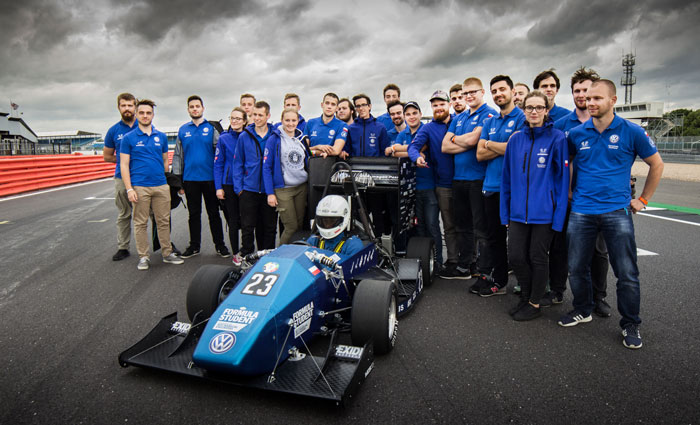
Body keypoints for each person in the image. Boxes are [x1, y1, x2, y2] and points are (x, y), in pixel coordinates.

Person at [559, 79, 663, 350]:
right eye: (588, 98)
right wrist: (569, 190)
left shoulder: (632, 131)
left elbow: (656, 164)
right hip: (581, 210)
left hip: (616, 211)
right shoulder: (577, 133)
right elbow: (569, 161)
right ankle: (583, 309)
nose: (590, 102)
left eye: (597, 98)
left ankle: (631, 323)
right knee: (576, 267)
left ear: (613, 100)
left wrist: (643, 199)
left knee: (626, 272)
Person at [501, 91, 569, 321]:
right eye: (529, 107)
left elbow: (562, 182)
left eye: (539, 107)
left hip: (545, 214)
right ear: (523, 110)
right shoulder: (515, 140)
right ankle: (526, 296)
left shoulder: (557, 138)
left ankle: (534, 302)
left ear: (546, 110)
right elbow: (506, 178)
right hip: (517, 213)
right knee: (516, 257)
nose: (534, 111)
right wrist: (505, 213)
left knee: (537, 257)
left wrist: (558, 218)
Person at [549, 66, 609, 314]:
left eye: (586, 90)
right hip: (566, 198)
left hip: (597, 200)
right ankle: (556, 290)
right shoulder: (561, 125)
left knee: (598, 251)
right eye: (577, 91)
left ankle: (599, 297)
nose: (582, 95)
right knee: (560, 246)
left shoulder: (607, 123)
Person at [474, 75, 527, 296]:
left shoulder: (523, 117)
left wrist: (489, 143)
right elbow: (479, 154)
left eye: (502, 89)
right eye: (494, 91)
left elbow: (516, 149)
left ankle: (526, 285)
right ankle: (500, 281)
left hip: (516, 190)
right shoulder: (490, 122)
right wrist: (502, 145)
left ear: (512, 92)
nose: (498, 94)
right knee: (494, 239)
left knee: (519, 243)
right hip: (491, 187)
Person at [441, 77, 498, 280]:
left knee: (481, 228)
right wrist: (463, 141)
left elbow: (475, 140)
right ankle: (464, 266)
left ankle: (484, 270)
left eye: (473, 92)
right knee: (462, 226)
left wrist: (457, 139)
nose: (469, 96)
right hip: (459, 179)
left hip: (478, 179)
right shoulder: (459, 118)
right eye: (466, 93)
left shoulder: (489, 114)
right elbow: (445, 146)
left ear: (482, 92)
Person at [119, 99, 184, 270]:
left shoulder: (161, 137)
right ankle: (144, 257)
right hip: (140, 186)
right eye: (141, 113)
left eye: (148, 113)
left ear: (153, 115)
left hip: (161, 185)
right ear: (136, 114)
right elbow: (124, 165)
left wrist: (166, 182)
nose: (145, 116)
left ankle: (167, 253)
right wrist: (129, 188)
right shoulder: (128, 138)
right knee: (140, 223)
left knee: (163, 221)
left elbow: (165, 161)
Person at [407, 90, 458, 277]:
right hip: (444, 184)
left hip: (466, 180)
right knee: (448, 226)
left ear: (449, 105)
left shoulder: (460, 121)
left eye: (442, 104)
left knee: (469, 227)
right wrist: (417, 158)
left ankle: (471, 262)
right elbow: (413, 147)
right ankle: (448, 261)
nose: (438, 108)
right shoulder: (428, 128)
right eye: (435, 105)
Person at [172, 95, 229, 258]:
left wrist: (222, 180)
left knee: (214, 214)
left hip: (210, 179)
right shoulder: (183, 130)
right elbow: (178, 156)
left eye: (197, 106)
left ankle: (220, 245)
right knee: (193, 214)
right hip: (190, 180)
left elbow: (220, 153)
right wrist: (178, 182)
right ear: (188, 110)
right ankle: (194, 246)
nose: (195, 109)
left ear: (203, 108)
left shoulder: (211, 128)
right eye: (192, 107)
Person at [390, 101, 443, 265]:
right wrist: (401, 150)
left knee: (432, 225)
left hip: (428, 187)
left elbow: (421, 148)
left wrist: (399, 149)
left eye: (414, 113)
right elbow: (393, 152)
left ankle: (438, 261)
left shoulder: (426, 130)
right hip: (410, 188)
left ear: (420, 114)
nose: (411, 117)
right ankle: (424, 261)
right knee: (418, 226)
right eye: (408, 114)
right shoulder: (403, 134)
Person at [233, 101, 279, 256]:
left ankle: (267, 256)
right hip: (249, 189)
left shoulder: (275, 135)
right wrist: (239, 189)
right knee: (247, 227)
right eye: (254, 115)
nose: (257, 118)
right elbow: (238, 163)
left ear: (268, 116)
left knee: (269, 227)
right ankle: (246, 255)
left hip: (269, 190)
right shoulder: (244, 136)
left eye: (260, 115)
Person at [344, 94, 390, 235]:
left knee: (378, 213)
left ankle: (379, 241)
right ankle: (361, 240)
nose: (361, 108)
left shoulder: (380, 127)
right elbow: (347, 151)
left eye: (364, 105)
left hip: (375, 178)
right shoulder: (351, 128)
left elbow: (385, 153)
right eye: (358, 106)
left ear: (369, 106)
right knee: (358, 214)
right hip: (356, 177)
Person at [263, 108, 310, 245]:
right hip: (283, 190)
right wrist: (270, 193)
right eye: (287, 120)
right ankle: (279, 254)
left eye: (293, 120)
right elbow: (266, 167)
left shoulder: (301, 138)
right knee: (291, 227)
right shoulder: (274, 139)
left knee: (299, 226)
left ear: (298, 121)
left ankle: (294, 253)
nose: (290, 123)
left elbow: (308, 157)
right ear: (282, 120)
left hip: (301, 187)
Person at [103, 92, 137, 261]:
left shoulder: (144, 125)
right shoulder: (113, 131)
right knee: (124, 213)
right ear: (119, 108)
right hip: (121, 177)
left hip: (143, 176)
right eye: (123, 105)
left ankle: (163, 244)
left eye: (130, 105)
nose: (127, 108)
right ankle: (123, 247)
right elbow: (107, 156)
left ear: (135, 107)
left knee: (153, 212)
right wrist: (125, 159)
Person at [214, 107, 247, 265]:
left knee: (247, 221)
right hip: (228, 184)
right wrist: (218, 187)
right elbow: (218, 164)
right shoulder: (224, 138)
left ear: (244, 121)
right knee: (233, 221)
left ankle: (247, 250)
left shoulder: (248, 137)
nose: (234, 121)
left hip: (246, 184)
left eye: (238, 118)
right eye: (232, 118)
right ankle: (236, 253)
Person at [304, 93, 349, 157]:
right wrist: (318, 147)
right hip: (310, 163)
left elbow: (336, 151)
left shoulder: (342, 125)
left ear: (337, 108)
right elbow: (303, 149)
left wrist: (313, 151)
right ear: (322, 105)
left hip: (330, 163)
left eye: (333, 104)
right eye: (327, 103)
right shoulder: (310, 123)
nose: (329, 107)